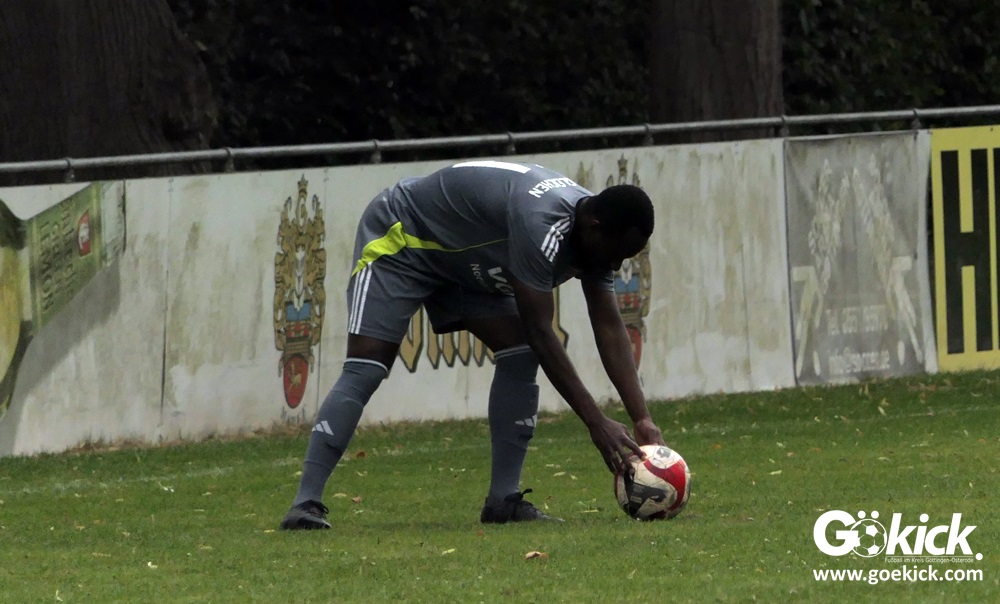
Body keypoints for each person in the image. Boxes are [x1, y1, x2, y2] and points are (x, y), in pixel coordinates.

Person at [280, 160, 665, 530]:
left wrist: (642, 418)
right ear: (595, 228)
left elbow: (609, 325)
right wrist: (596, 422)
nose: (616, 266)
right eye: (617, 255)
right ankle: (305, 503)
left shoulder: (595, 229)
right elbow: (540, 331)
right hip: (403, 236)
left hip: (465, 261)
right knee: (368, 364)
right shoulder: (542, 224)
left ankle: (503, 501)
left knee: (519, 351)